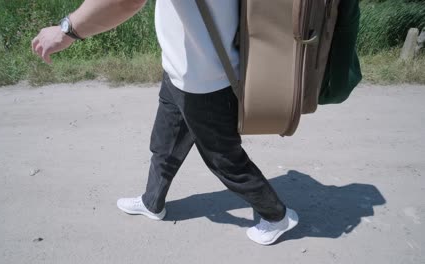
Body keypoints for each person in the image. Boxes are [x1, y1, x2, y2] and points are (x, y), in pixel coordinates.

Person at [32, 0, 298, 245]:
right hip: (181, 68)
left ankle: (277, 216)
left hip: (205, 80)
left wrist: (67, 29)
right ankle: (152, 202)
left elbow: (126, 2)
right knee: (165, 142)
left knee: (224, 160)